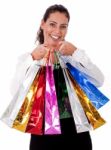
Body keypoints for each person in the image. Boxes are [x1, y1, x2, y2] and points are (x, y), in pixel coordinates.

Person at [10, 4, 104, 150]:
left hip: (77, 134)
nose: (57, 31)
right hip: (42, 136)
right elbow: (14, 92)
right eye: (52, 24)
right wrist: (32, 58)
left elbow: (99, 80)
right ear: (43, 24)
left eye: (63, 26)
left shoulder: (71, 58)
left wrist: (75, 52)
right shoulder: (28, 59)